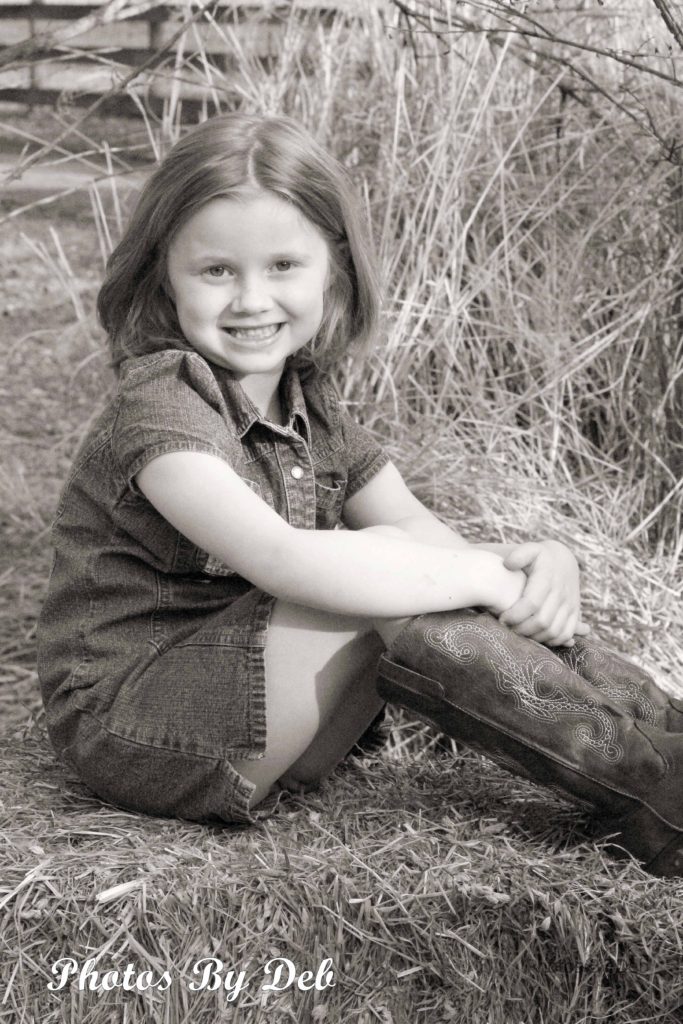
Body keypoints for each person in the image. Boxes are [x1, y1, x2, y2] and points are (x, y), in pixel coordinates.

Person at [36, 113, 683, 877]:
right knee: (377, 565)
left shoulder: (313, 408)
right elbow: (280, 559)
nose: (251, 299)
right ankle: (649, 793)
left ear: (333, 269)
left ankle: (659, 732)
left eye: (283, 265)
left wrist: (534, 564)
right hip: (138, 725)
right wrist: (468, 572)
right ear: (162, 274)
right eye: (216, 271)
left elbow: (419, 533)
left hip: (268, 719)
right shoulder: (160, 407)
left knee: (402, 559)